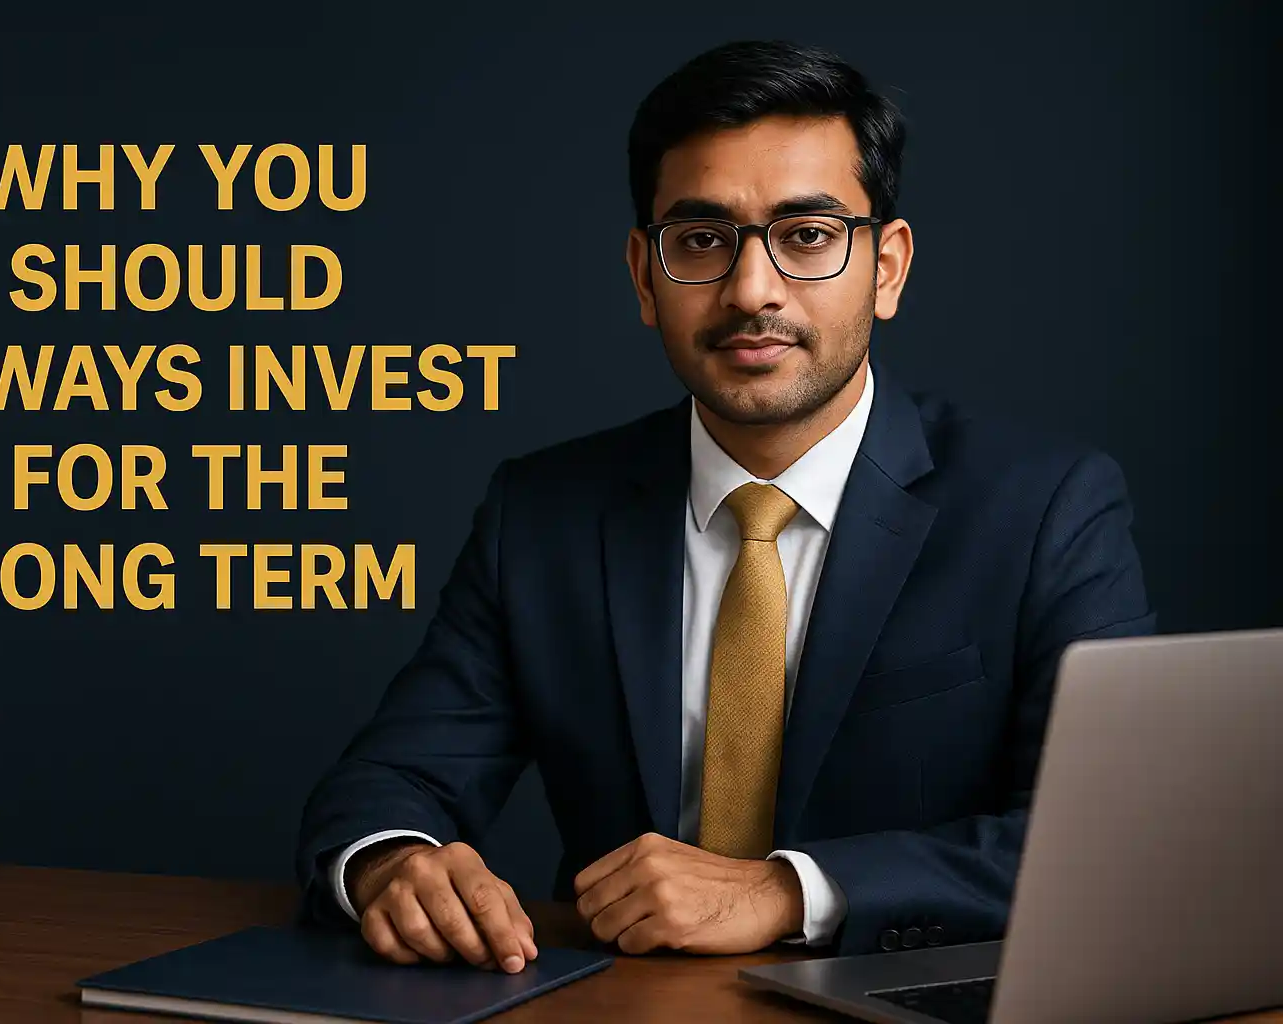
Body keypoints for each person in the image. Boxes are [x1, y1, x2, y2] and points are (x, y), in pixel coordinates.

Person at [294, 38, 1154, 972]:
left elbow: (1109, 843)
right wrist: (391, 863)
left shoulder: (1045, 508)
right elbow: (391, 781)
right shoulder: (542, 515)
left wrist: (788, 890)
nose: (752, 290)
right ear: (643, 275)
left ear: (889, 267)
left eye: (809, 236)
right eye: (701, 240)